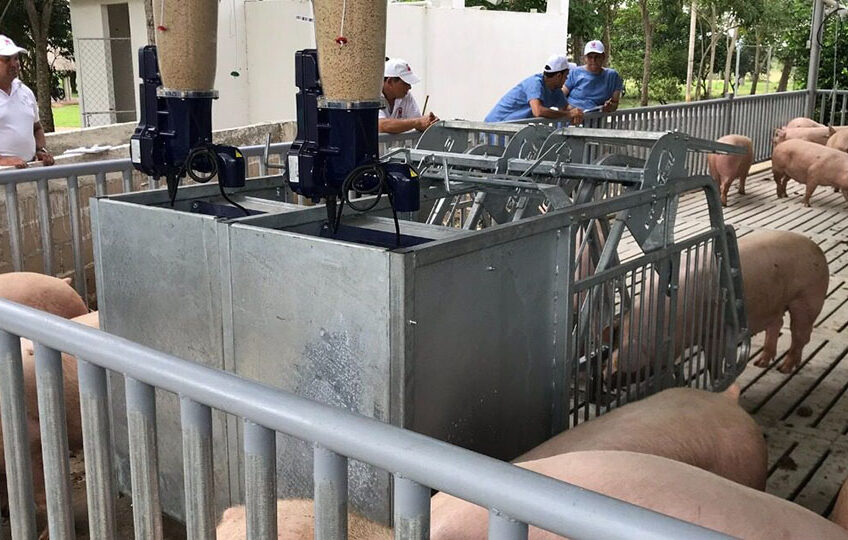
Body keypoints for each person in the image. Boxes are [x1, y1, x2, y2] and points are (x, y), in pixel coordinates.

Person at [0, 35, 54, 169]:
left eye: (16, 58)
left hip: (27, 170)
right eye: (7, 60)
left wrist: (41, 151)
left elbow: (37, 128)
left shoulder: (25, 92)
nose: (14, 64)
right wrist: (3, 161)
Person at [484, 54, 583, 124]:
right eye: (566, 75)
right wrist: (568, 114)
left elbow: (566, 107)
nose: (566, 79)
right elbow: (538, 111)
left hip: (509, 132)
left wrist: (578, 112)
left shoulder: (556, 90)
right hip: (493, 129)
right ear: (558, 76)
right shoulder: (534, 83)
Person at [379, 58, 438, 134]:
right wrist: (418, 122)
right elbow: (382, 125)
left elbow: (417, 120)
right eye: (405, 83)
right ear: (390, 81)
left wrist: (428, 122)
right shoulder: (373, 97)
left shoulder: (406, 96)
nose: (409, 87)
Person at [564, 40, 623, 114]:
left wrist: (609, 107)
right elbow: (560, 95)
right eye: (590, 57)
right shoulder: (574, 72)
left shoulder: (612, 76)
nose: (593, 60)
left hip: (594, 120)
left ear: (603, 57)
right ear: (585, 58)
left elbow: (614, 103)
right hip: (570, 116)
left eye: (597, 57)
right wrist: (569, 109)